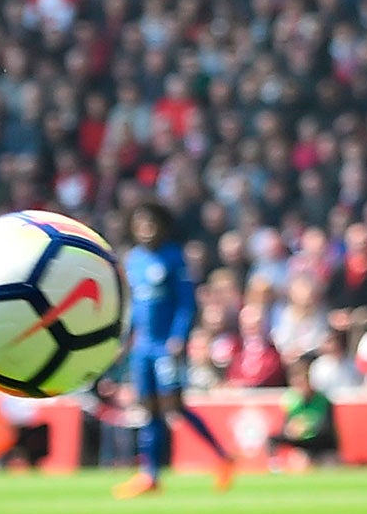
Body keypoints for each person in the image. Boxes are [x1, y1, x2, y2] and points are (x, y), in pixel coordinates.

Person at [115, 202, 235, 498]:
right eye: (141, 224)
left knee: (174, 406)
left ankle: (222, 457)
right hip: (142, 348)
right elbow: (133, 306)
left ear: (162, 226)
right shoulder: (134, 260)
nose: (146, 229)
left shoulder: (173, 257)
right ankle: (150, 475)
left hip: (164, 347)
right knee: (149, 411)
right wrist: (125, 339)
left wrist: (178, 337)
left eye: (151, 224)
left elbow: (185, 303)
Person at [264, 358, 340, 470]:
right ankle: (275, 466)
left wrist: (307, 427)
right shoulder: (292, 401)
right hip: (300, 442)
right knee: (272, 439)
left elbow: (327, 429)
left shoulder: (323, 401)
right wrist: (290, 430)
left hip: (318, 443)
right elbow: (286, 427)